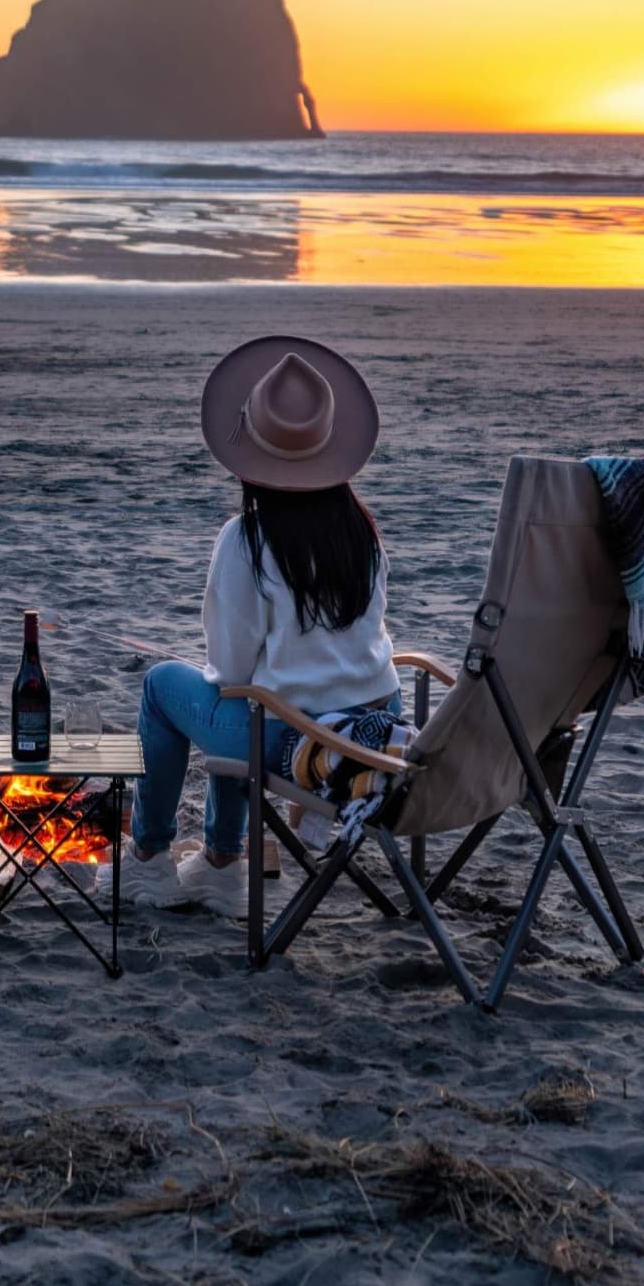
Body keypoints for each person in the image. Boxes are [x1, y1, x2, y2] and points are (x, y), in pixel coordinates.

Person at [118, 335, 402, 917]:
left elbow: (231, 669)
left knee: (170, 686)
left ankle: (149, 861)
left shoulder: (247, 539)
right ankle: (221, 862)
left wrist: (227, 678)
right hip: (377, 721)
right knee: (242, 695)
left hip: (298, 739)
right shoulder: (362, 534)